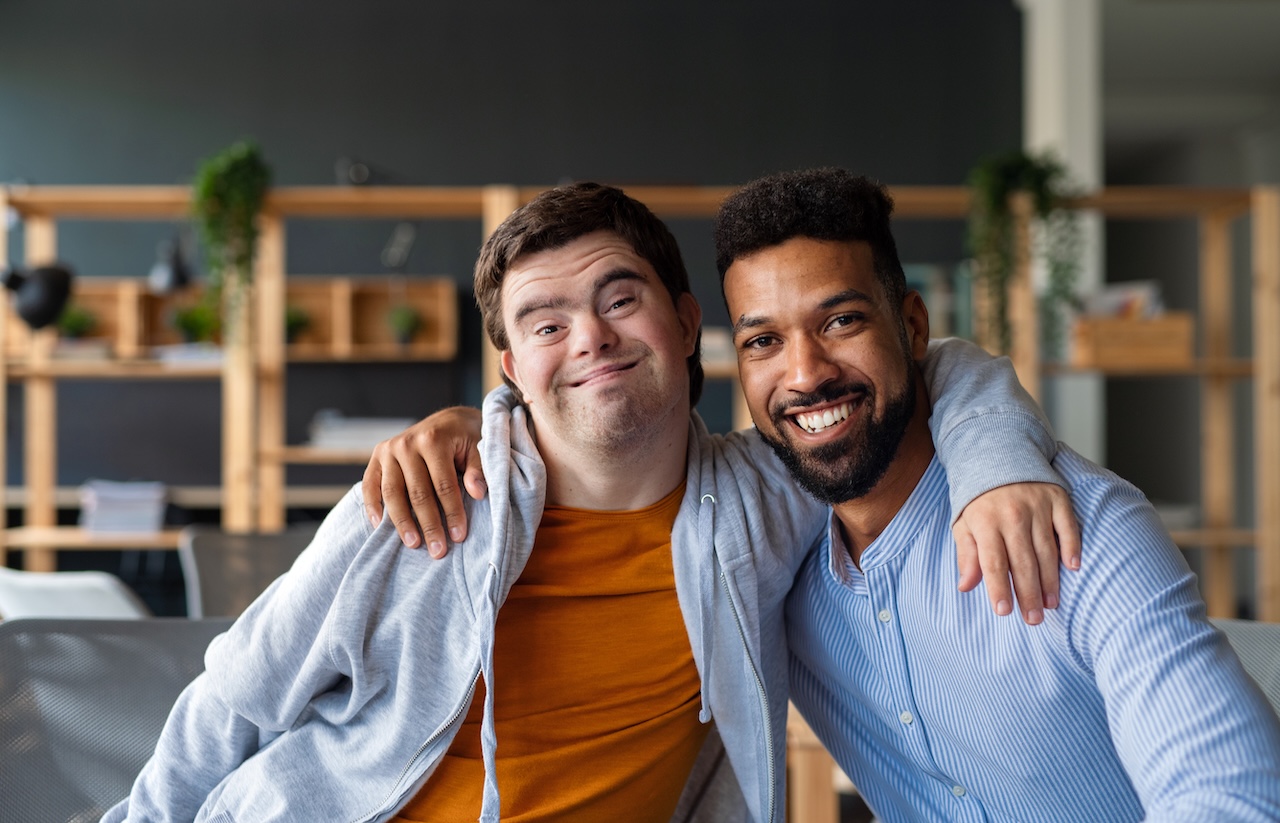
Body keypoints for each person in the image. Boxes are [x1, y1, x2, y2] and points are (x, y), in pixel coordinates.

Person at [107, 181, 1071, 823]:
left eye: (621, 299)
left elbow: (926, 364)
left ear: (691, 322)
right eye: (546, 321)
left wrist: (997, 466)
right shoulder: (422, 503)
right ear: (512, 367)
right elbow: (232, 703)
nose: (591, 340)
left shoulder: (768, 498)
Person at [369, 170, 1280, 822]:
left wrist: (999, 452)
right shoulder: (770, 546)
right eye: (763, 341)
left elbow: (1232, 796)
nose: (805, 374)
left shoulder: (1082, 530)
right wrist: (479, 421)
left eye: (841, 320)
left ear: (911, 323)